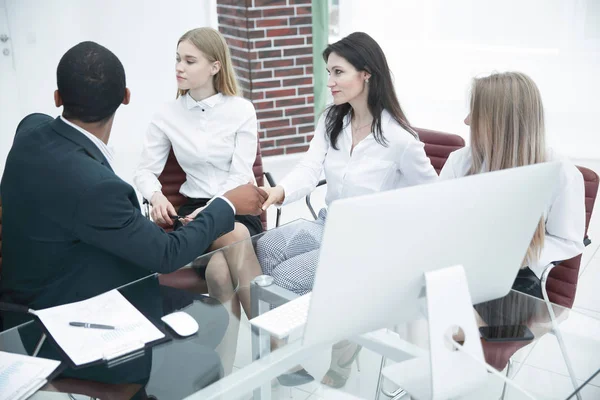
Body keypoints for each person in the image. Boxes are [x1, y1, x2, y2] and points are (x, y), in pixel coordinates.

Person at [0, 41, 266, 391]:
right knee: (206, 334)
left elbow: (36, 131)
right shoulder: (99, 187)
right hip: (66, 319)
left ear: (56, 97)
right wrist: (227, 204)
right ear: (125, 96)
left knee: (209, 307)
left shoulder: (31, 132)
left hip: (23, 296)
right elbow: (165, 255)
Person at [257, 32, 438, 388]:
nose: (331, 82)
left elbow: (432, 197)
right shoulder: (332, 121)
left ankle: (340, 338)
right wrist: (278, 192)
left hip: (368, 243)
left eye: (339, 72)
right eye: (329, 72)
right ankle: (306, 341)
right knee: (264, 247)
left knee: (288, 278)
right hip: (330, 224)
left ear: (366, 74)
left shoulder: (401, 139)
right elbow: (309, 169)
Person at [133, 27, 262, 325]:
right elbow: (144, 170)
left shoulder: (242, 110)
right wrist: (155, 195)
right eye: (178, 59)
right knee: (228, 252)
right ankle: (278, 355)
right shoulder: (166, 114)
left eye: (190, 61)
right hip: (194, 213)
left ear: (215, 66)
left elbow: (242, 175)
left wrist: (214, 209)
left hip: (236, 207)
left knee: (221, 265)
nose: (179, 67)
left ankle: (239, 365)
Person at [440, 71, 585, 330]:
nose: (466, 121)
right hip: (460, 269)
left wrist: (519, 255)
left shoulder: (561, 173)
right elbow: (436, 218)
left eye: (475, 113)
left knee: (451, 326)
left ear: (500, 121)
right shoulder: (461, 162)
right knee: (413, 303)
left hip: (514, 284)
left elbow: (568, 241)